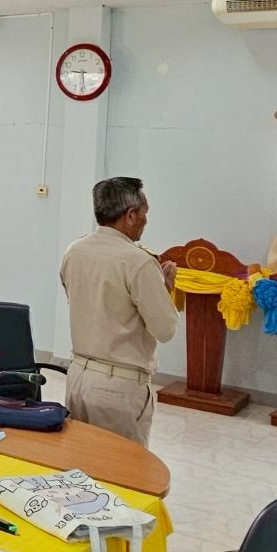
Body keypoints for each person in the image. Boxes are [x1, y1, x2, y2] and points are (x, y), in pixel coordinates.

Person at [59, 176, 180, 443]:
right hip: (119, 385)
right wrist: (164, 290)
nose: (146, 221)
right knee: (122, 466)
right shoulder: (138, 261)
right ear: (131, 215)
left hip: (78, 376)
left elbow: (90, 305)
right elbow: (165, 329)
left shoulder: (74, 251)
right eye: (145, 213)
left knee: (80, 460)